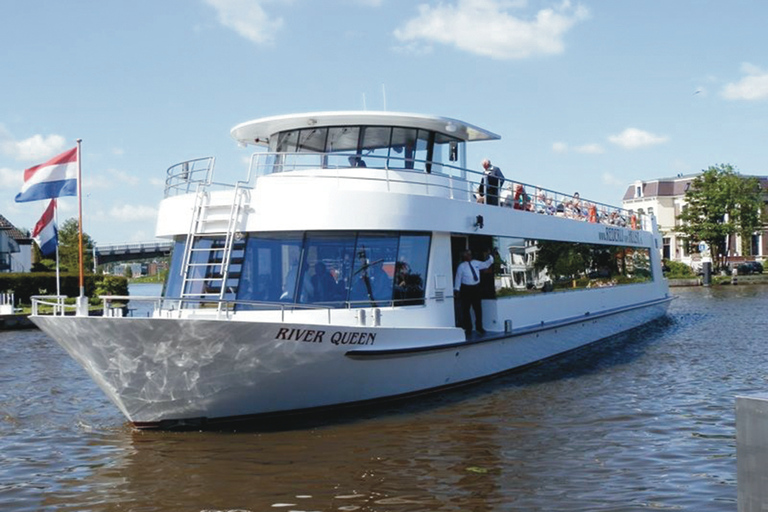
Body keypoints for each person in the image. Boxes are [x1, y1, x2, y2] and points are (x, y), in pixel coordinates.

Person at [454, 249, 495, 336]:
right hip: (466, 289)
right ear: (464, 256)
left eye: (470, 254)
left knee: (478, 309)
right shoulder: (461, 266)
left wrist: (490, 256)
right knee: (466, 310)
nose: (469, 256)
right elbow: (458, 278)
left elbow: (486, 264)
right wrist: (457, 289)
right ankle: (468, 328)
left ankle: (479, 327)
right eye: (467, 254)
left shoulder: (476, 263)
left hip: (476, 288)